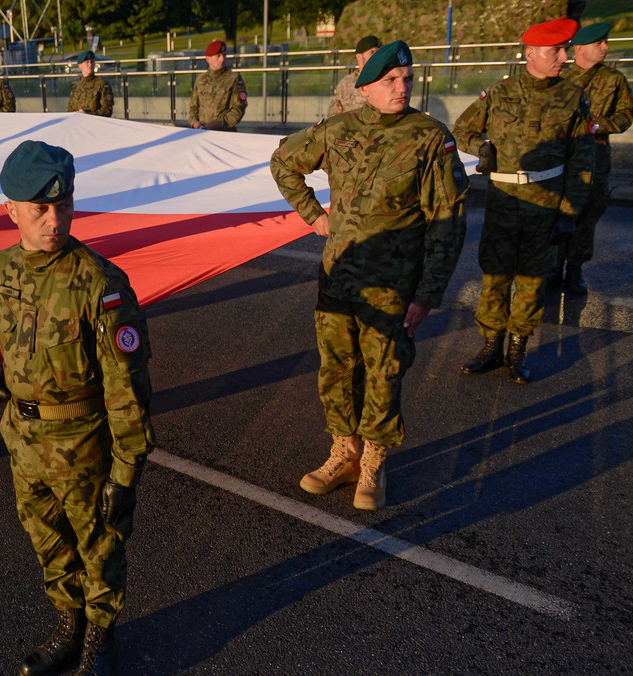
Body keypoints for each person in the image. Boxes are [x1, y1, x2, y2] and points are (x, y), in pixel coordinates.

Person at [0, 140, 154, 676]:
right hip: (23, 440)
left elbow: (127, 387)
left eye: (63, 206)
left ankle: (101, 640)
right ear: (11, 210)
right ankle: (70, 624)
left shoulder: (100, 283)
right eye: (40, 209)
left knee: (99, 548)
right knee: (46, 539)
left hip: (84, 444)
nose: (54, 220)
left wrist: (126, 473)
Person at [270, 41, 468, 511]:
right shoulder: (337, 129)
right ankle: (344, 451)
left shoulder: (429, 137)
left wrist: (427, 294)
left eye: (406, 79)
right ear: (366, 88)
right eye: (390, 81)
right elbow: (284, 163)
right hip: (338, 276)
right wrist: (314, 216)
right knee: (336, 369)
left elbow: (448, 221)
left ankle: (375, 460)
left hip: (394, 286)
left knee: (383, 372)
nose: (402, 87)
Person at [453, 17, 594, 384]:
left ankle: (517, 351)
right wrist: (481, 147)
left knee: (532, 280)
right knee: (495, 276)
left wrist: (569, 211)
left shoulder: (573, 96)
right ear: (530, 53)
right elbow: (461, 131)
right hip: (502, 200)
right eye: (556, 50)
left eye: (564, 49)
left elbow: (582, 158)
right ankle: (490, 347)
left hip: (545, 203)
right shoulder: (499, 93)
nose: (563, 57)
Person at [559, 22, 632, 294]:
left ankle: (574, 270)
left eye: (606, 42)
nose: (606, 47)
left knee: (588, 215)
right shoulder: (561, 77)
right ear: (580, 48)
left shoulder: (613, 80)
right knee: (558, 211)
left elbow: (626, 114)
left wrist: (599, 126)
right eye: (599, 43)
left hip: (595, 157)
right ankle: (553, 267)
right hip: (562, 158)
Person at [188, 40, 247, 131]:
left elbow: (238, 109)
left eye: (224, 55)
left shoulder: (233, 79)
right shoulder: (200, 80)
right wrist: (194, 122)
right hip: (202, 132)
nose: (222, 59)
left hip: (224, 133)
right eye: (218, 56)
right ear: (208, 59)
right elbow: (193, 107)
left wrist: (218, 124)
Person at [329, 35, 382, 116]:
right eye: (372, 52)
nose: (376, 56)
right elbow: (334, 115)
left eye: (378, 52)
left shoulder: (384, 81)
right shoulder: (345, 84)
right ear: (359, 56)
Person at [67, 51, 113, 117]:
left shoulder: (101, 84)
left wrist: (87, 114)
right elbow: (70, 110)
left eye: (92, 62)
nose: (90, 65)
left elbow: (107, 111)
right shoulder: (76, 87)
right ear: (80, 65)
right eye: (87, 62)